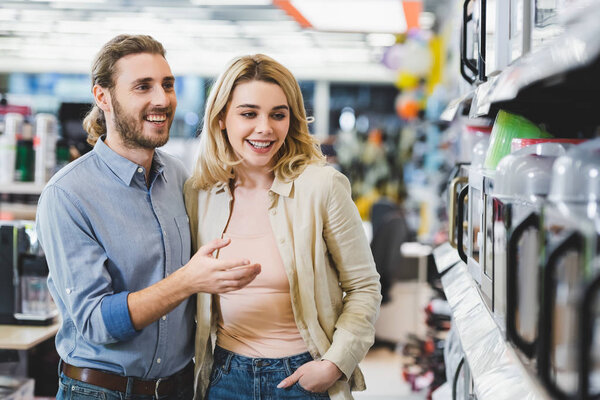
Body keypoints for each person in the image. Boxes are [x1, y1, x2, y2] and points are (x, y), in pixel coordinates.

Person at [36, 34, 260, 400]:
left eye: (167, 85)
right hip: (100, 392)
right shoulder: (68, 195)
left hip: (179, 388)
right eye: (143, 86)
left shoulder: (179, 178)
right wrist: (187, 281)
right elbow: (95, 322)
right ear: (103, 97)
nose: (162, 99)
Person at [183, 54, 382, 399]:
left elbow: (364, 287)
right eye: (249, 113)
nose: (265, 128)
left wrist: (334, 364)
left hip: (301, 376)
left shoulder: (322, 187)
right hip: (226, 376)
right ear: (220, 120)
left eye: (278, 114)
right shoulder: (200, 193)